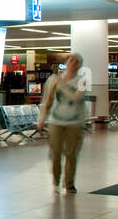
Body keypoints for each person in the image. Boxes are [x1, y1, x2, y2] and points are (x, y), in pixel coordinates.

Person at [37, 53, 88, 194]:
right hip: (55, 122)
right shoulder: (53, 80)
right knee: (56, 153)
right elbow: (46, 101)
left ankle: (69, 183)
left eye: (77, 62)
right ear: (66, 63)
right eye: (71, 60)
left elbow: (76, 97)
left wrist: (62, 86)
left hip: (75, 123)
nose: (73, 63)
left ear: (79, 66)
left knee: (71, 154)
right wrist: (41, 119)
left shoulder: (81, 81)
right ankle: (56, 180)